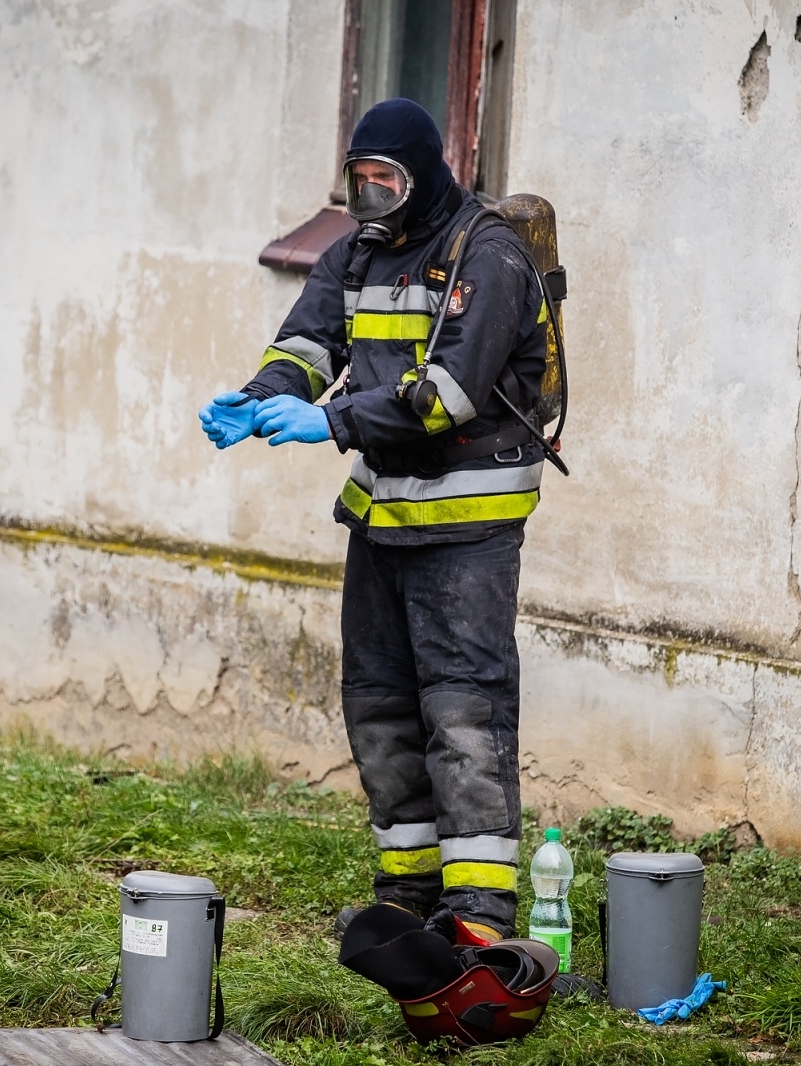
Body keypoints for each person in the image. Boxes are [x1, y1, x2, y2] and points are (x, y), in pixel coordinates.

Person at [199, 98, 550, 945]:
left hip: (469, 525)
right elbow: (308, 346)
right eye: (358, 182)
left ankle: (478, 913)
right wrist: (260, 399)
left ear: (423, 173)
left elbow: (451, 395)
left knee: (463, 713)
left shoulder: (487, 254)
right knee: (380, 706)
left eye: (385, 180)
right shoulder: (357, 250)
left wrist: (335, 423)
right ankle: (407, 893)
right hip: (382, 518)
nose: (370, 199)